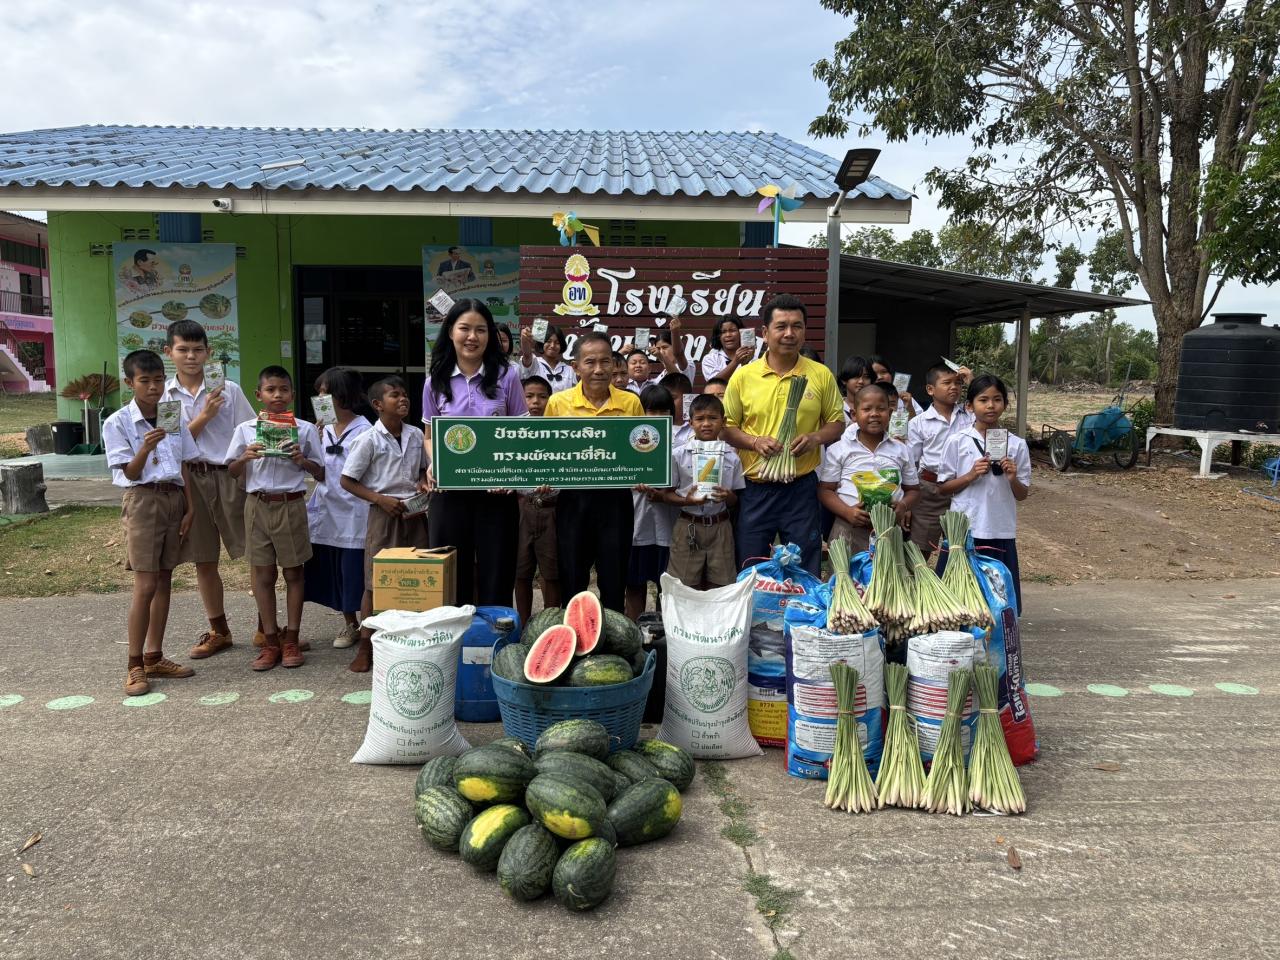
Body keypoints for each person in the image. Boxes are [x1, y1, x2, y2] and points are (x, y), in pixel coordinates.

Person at [722, 294, 845, 574]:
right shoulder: (744, 376)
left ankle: (802, 603)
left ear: (804, 331)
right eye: (781, 326)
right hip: (755, 488)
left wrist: (815, 438)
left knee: (804, 565)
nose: (789, 333)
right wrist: (754, 442)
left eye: (797, 326)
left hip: (800, 487)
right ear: (765, 333)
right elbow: (727, 428)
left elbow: (837, 423)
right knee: (750, 564)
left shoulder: (820, 374)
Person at [102, 349, 197, 697]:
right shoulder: (118, 422)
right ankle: (134, 664)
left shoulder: (172, 414)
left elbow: (184, 463)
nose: (154, 387)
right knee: (145, 585)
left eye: (159, 380)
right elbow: (129, 472)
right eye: (145, 381)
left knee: (165, 579)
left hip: (173, 498)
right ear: (130, 383)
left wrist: (190, 507)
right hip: (142, 500)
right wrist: (144, 448)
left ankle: (154, 656)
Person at [423, 298, 527, 607]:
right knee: (451, 576)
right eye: (464, 328)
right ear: (450, 332)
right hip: (450, 494)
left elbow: (520, 433)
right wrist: (435, 463)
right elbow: (429, 437)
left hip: (496, 495)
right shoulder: (434, 381)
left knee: (497, 575)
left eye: (481, 330)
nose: (472, 337)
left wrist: (509, 474)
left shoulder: (507, 376)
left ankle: (496, 635)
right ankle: (454, 635)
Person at [162, 318, 257, 659]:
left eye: (198, 350)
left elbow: (250, 431)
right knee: (204, 558)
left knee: (257, 554)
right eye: (183, 350)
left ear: (209, 352)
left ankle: (267, 628)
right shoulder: (165, 395)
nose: (191, 356)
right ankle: (220, 630)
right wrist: (204, 416)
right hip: (191, 479)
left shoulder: (228, 390)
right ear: (169, 352)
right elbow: (170, 445)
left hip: (228, 474)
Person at [227, 366, 325, 671]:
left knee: (294, 573)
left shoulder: (304, 429)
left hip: (290, 504)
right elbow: (231, 470)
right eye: (271, 390)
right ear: (259, 395)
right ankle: (270, 641)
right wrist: (244, 457)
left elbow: (321, 472)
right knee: (263, 575)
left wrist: (302, 459)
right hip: (257, 504)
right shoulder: (245, 429)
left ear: (292, 394)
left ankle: (291, 638)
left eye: (284, 389)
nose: (277, 395)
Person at [545, 331, 643, 612]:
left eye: (605, 361)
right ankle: (574, 632)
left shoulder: (630, 403)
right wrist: (544, 479)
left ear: (614, 364)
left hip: (616, 501)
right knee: (572, 575)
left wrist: (645, 475)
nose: (599, 369)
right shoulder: (558, 403)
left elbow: (641, 453)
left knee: (614, 577)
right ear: (576, 367)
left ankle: (613, 634)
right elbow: (547, 454)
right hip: (573, 501)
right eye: (590, 362)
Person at [340, 377, 431, 672]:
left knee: (418, 576)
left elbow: (422, 470)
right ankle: (366, 645)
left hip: (414, 513)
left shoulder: (416, 434)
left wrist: (422, 481)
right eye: (395, 395)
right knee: (375, 581)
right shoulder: (368, 439)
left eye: (405, 394)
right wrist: (379, 499)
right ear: (378, 404)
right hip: (383, 514)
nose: (403, 399)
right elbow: (347, 480)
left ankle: (413, 641)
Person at [936, 374, 1030, 611]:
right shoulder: (957, 441)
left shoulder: (1016, 444)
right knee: (957, 599)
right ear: (969, 406)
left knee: (998, 599)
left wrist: (1012, 478)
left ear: (1005, 405)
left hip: (999, 528)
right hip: (965, 527)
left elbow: (1022, 494)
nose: (990, 406)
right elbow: (943, 488)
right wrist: (970, 475)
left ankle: (997, 631)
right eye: (983, 400)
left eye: (997, 399)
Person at [303, 367, 373, 648]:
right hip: (328, 509)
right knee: (335, 570)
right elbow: (319, 471)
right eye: (319, 393)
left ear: (343, 396)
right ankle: (349, 623)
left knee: (356, 571)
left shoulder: (365, 430)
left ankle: (369, 625)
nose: (320, 399)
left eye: (326, 393)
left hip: (355, 512)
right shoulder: (321, 430)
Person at [819, 384, 920, 554]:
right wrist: (847, 512)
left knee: (887, 571)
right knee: (846, 571)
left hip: (889, 531)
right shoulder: (839, 449)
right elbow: (825, 491)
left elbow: (914, 490)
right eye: (867, 409)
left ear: (890, 413)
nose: (874, 414)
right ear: (854, 414)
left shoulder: (902, 450)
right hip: (848, 527)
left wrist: (903, 505)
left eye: (881, 409)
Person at [658, 393, 743, 589]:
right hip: (689, 524)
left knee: (722, 585)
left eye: (713, 418)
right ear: (690, 423)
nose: (706, 424)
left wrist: (728, 496)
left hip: (720, 525)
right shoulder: (678, 455)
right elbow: (666, 495)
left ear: (723, 421)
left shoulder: (732, 457)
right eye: (700, 419)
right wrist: (686, 501)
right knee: (683, 585)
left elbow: (735, 500)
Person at [906, 360, 973, 559]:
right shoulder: (918, 423)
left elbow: (987, 413)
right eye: (946, 383)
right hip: (930, 490)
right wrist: (907, 500)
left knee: (961, 548)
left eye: (958, 383)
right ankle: (919, 578)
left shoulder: (969, 417)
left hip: (964, 488)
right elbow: (911, 464)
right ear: (930, 389)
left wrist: (972, 382)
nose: (954, 387)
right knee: (921, 547)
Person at [626, 384, 678, 620]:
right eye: (651, 411)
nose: (657, 417)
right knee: (634, 583)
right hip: (638, 525)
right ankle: (634, 630)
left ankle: (663, 631)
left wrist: (665, 491)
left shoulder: (679, 444)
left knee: (666, 586)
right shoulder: (629, 442)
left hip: (668, 527)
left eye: (663, 411)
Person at [514, 376, 560, 625]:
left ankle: (550, 623)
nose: (535, 402)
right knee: (521, 570)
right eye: (529, 396)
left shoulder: (560, 430)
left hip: (552, 508)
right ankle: (523, 623)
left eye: (542, 396)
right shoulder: (512, 431)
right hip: (522, 505)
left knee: (551, 571)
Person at [518, 323, 577, 393]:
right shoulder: (534, 364)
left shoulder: (570, 370)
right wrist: (525, 340)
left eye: (557, 343)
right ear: (542, 344)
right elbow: (527, 355)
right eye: (548, 341)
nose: (552, 345)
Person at [702, 318, 755, 384]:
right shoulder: (710, 359)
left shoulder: (752, 358)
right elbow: (714, 383)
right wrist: (735, 361)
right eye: (723, 332)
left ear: (741, 333)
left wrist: (745, 364)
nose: (728, 335)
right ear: (718, 336)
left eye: (732, 330)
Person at [661, 372, 694, 450]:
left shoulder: (697, 428)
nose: (667, 402)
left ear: (687, 398)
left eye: (672, 398)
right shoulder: (655, 427)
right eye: (664, 398)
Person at [837, 356, 875, 421]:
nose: (861, 381)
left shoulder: (877, 407)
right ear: (844, 380)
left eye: (866, 377)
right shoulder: (835, 408)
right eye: (856, 376)